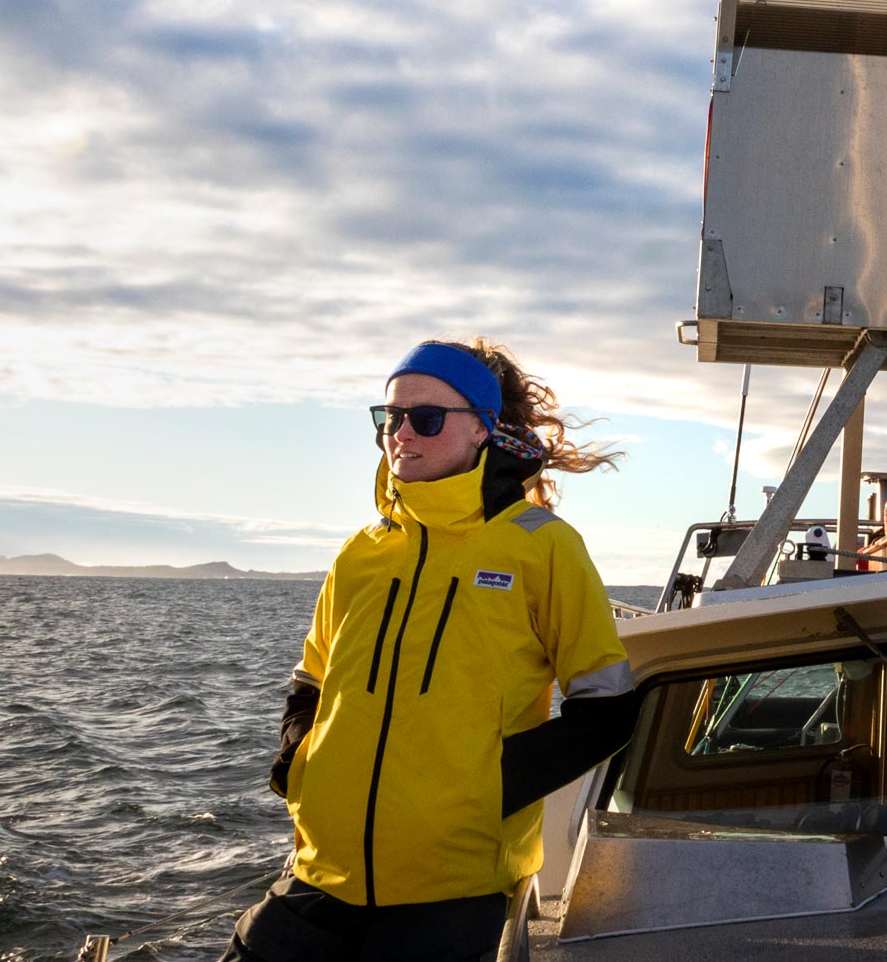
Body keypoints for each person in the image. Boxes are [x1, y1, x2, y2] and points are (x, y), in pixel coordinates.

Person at [224, 339, 638, 962]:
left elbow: (606, 708)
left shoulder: (540, 545)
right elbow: (311, 678)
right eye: (389, 417)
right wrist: (297, 763)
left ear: (482, 430)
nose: (401, 434)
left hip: (452, 888)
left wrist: (484, 789)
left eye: (426, 418)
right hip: (320, 871)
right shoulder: (362, 551)